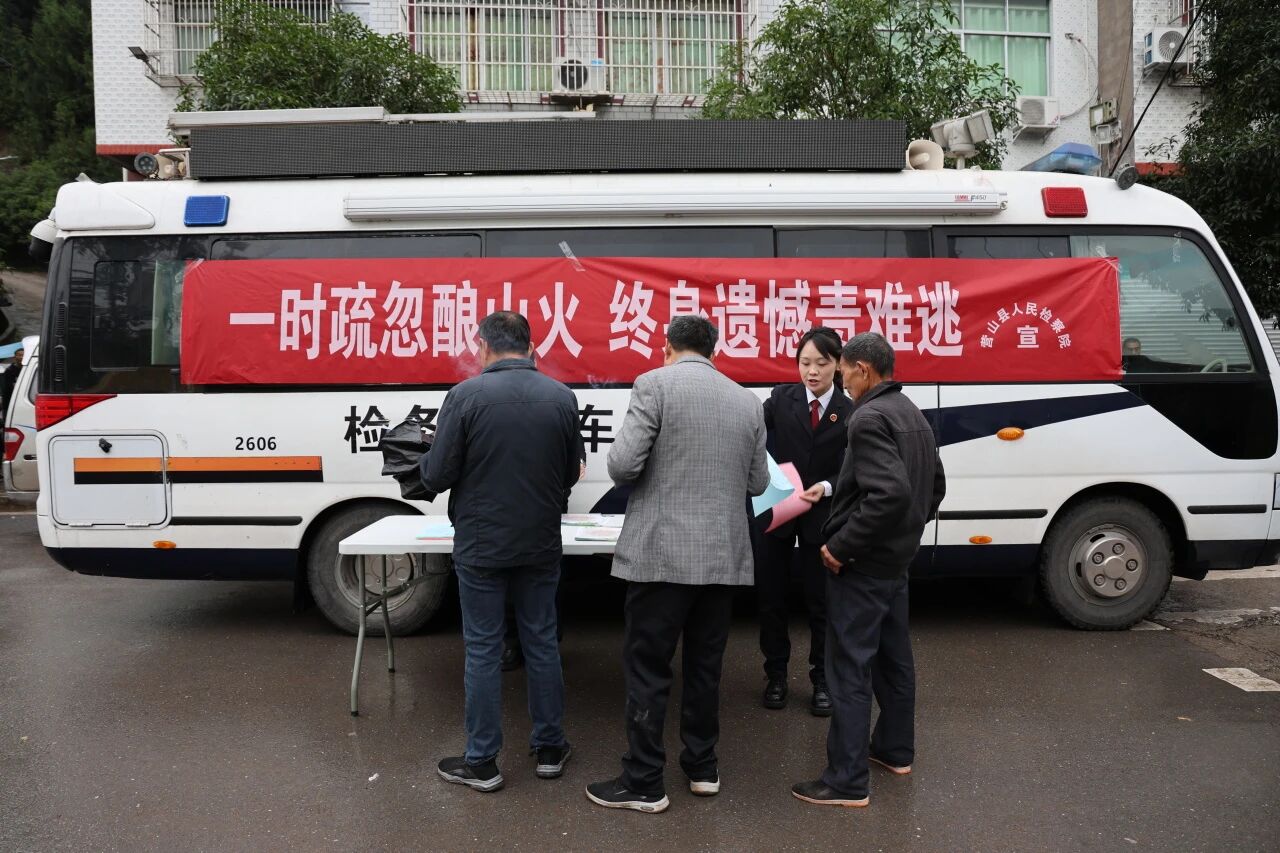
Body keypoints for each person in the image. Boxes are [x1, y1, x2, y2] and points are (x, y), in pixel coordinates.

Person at [585, 314, 769, 814]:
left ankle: (644, 781)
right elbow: (757, 483)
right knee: (705, 668)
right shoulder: (746, 401)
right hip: (723, 557)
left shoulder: (654, 385)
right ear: (714, 351)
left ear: (667, 346)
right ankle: (702, 767)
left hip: (661, 556)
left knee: (648, 668)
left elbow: (622, 466)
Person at [421, 311, 583, 793]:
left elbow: (437, 475)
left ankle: (482, 762)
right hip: (540, 541)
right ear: (531, 348)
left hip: (481, 543)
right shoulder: (562, 397)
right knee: (542, 641)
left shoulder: (465, 396)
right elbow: (570, 471)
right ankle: (550, 748)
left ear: (483, 347)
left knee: (483, 647)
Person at [792, 332, 946, 809]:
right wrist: (906, 536)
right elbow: (934, 486)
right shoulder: (911, 412)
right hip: (894, 563)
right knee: (894, 660)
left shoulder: (867, 417)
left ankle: (846, 780)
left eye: (842, 368)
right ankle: (894, 751)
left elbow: (889, 494)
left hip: (862, 567)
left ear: (862, 369)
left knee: (849, 669)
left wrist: (841, 546)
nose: (838, 376)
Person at [756, 327, 852, 717]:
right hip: (778, 510)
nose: (812, 371)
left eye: (821, 363)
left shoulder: (850, 410)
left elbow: (855, 466)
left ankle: (822, 680)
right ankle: (776, 675)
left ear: (838, 365)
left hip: (823, 515)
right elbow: (752, 433)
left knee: (822, 602)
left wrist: (827, 487)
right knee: (771, 599)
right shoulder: (781, 398)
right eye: (805, 363)